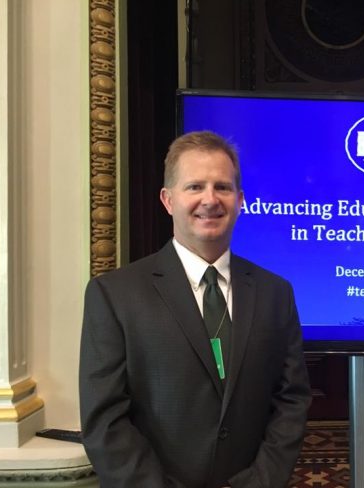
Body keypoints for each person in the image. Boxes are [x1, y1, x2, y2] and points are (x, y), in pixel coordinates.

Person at [79, 131, 312, 488]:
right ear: (168, 199)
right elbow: (105, 420)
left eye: (222, 187)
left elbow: (291, 401)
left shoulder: (275, 293)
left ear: (240, 200)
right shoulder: (114, 295)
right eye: (194, 187)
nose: (210, 199)